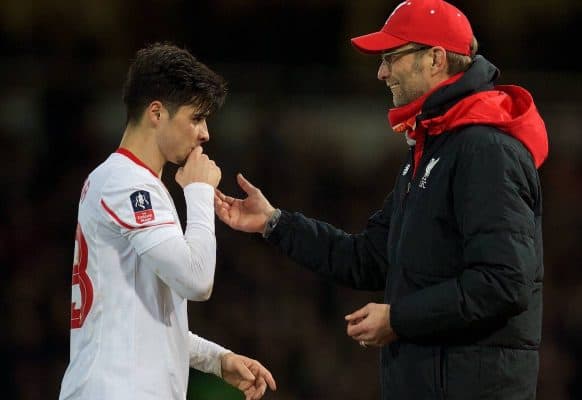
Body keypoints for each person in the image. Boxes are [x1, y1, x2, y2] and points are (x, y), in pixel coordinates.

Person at [215, 0, 549, 399]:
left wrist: (399, 318)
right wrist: (274, 222)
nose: (381, 71)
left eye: (391, 57)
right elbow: (369, 258)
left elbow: (505, 282)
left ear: (435, 59)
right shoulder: (434, 149)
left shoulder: (484, 151)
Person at [59, 42, 276, 400]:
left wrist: (217, 360)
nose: (205, 133)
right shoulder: (126, 183)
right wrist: (200, 192)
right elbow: (197, 280)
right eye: (196, 118)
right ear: (156, 113)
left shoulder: (132, 182)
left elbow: (147, 321)